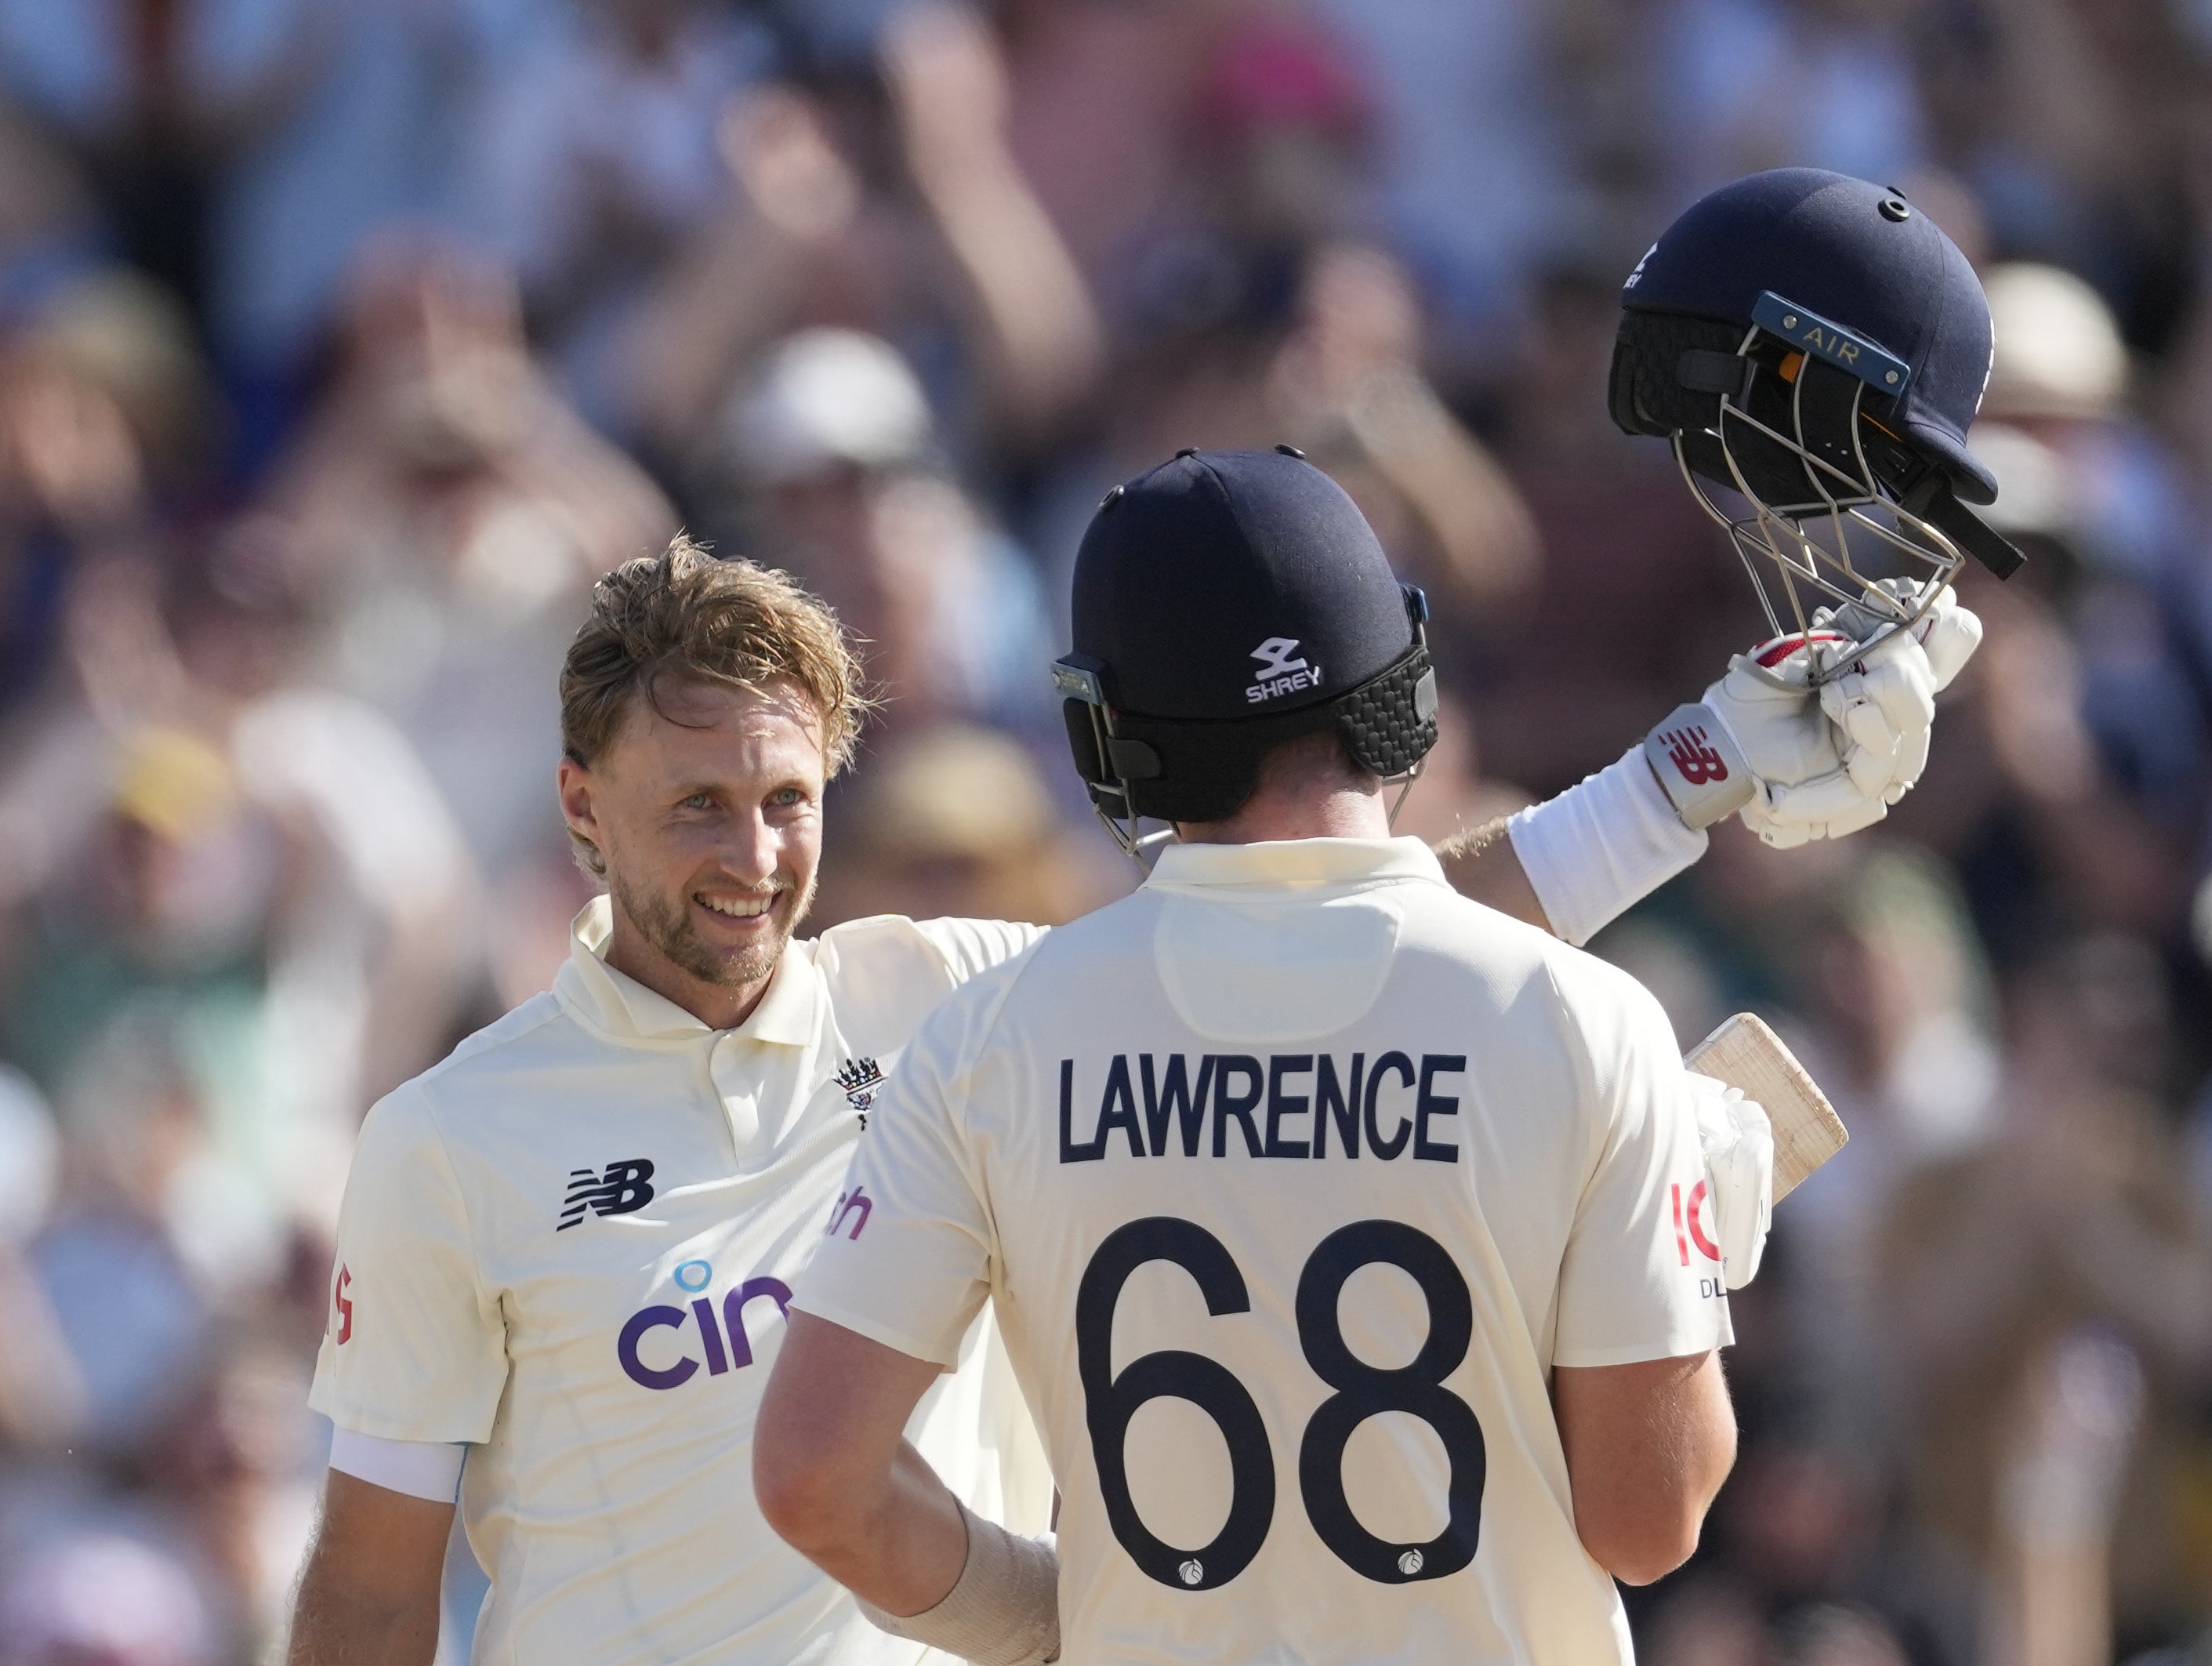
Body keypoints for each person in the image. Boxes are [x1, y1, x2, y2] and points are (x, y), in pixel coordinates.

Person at [288, 169, 1999, 1666]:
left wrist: (1680, 773)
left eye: (790, 799)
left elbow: (1333, 938)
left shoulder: (964, 1015)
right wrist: (1673, 1231)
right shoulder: (460, 1135)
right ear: (577, 806)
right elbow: (371, 1604)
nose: (751, 854)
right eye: (695, 808)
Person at [756, 447, 1745, 1664]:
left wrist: (1048, 1625)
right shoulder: (1586, 1020)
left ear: (1108, 732)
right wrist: (1691, 1275)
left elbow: (814, 1476)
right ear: (1405, 682)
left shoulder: (992, 1038)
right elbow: (1649, 1523)